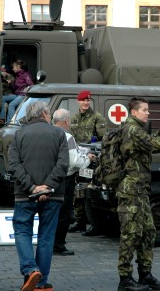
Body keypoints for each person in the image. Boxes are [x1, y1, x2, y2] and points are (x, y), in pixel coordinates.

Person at [8, 101, 68, 291]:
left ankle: (30, 269)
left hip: (24, 195)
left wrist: (32, 187)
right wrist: (48, 186)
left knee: (22, 232)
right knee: (46, 237)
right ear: (44, 114)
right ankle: (41, 282)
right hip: (53, 195)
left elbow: (13, 165)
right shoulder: (59, 134)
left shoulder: (18, 134)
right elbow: (63, 164)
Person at [117, 97, 160, 291]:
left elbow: (149, 144)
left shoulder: (136, 129)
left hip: (140, 190)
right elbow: (157, 146)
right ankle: (125, 279)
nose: (148, 113)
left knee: (148, 232)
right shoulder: (132, 129)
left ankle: (145, 275)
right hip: (131, 190)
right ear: (134, 112)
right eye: (145, 110)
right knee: (131, 234)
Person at [52, 108, 96, 256]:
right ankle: (59, 245)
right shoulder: (67, 136)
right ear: (65, 121)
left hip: (50, 178)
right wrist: (87, 159)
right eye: (69, 120)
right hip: (65, 179)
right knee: (64, 213)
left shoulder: (48, 133)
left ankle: (49, 242)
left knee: (52, 212)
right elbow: (74, 160)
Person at [69, 90, 106, 235]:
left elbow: (104, 139)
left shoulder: (97, 118)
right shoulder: (74, 118)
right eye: (83, 100)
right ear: (78, 102)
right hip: (78, 159)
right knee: (77, 189)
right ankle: (80, 221)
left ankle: (95, 223)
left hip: (92, 159)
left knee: (90, 190)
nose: (85, 103)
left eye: (88, 100)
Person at [0, 59, 34, 124]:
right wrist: (11, 83)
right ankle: (2, 117)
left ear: (18, 66)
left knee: (11, 105)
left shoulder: (26, 75)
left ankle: (10, 123)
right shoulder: (17, 75)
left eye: (14, 67)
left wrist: (26, 91)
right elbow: (15, 88)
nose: (13, 69)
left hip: (23, 95)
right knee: (2, 98)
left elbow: (31, 85)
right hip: (17, 94)